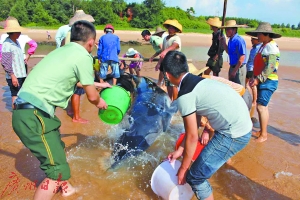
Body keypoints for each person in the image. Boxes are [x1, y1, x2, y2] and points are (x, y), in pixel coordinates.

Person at [12, 20, 109, 200]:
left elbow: (71, 79)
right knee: (56, 172)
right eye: (94, 43)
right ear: (91, 42)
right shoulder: (83, 56)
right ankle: (57, 184)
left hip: (28, 112)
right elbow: (93, 97)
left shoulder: (62, 51)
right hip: (35, 115)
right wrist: (101, 102)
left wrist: (97, 83)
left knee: (58, 151)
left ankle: (67, 190)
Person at [163, 51, 252, 200]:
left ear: (167, 75)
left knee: (195, 177)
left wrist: (184, 168)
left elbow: (192, 137)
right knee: (200, 169)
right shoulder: (198, 81)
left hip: (234, 134)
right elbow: (194, 127)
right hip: (242, 125)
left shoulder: (185, 96)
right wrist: (180, 150)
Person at [246, 22, 281, 143]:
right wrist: (254, 77)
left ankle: (264, 135)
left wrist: (257, 79)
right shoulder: (264, 45)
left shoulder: (271, 47)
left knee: (261, 107)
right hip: (263, 80)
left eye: (259, 34)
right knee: (262, 107)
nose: (257, 36)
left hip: (269, 81)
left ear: (266, 34)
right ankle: (262, 130)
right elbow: (259, 64)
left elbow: (270, 67)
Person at [58, 10, 95, 123]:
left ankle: (70, 110)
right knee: (77, 91)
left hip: (67, 63)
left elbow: (62, 47)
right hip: (76, 63)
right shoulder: (80, 36)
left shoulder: (69, 33)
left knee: (72, 88)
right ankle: (76, 116)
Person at [1, 17, 27, 109]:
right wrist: (12, 76)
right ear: (12, 32)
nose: (20, 33)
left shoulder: (16, 42)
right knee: (15, 95)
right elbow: (5, 62)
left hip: (21, 74)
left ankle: (19, 113)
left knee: (20, 95)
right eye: (18, 32)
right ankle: (15, 114)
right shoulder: (7, 44)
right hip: (15, 76)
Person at [155, 19, 182, 101]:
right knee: (168, 84)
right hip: (166, 64)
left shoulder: (176, 38)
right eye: (169, 28)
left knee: (173, 85)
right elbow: (163, 51)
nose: (170, 29)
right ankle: (170, 100)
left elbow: (175, 46)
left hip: (174, 63)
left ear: (175, 30)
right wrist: (159, 63)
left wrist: (166, 51)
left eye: (172, 28)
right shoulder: (165, 38)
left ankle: (175, 102)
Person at [220, 20, 247, 87]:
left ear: (234, 30)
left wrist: (234, 71)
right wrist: (223, 42)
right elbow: (229, 52)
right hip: (232, 67)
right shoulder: (230, 40)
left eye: (228, 29)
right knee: (232, 88)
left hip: (239, 68)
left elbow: (242, 58)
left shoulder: (239, 40)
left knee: (239, 88)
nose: (226, 31)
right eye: (226, 29)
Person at [246, 36, 262, 123]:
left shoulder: (259, 48)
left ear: (257, 39)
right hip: (249, 68)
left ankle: (254, 101)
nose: (251, 40)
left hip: (253, 69)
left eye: (253, 39)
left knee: (252, 85)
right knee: (247, 84)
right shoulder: (254, 48)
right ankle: (250, 99)